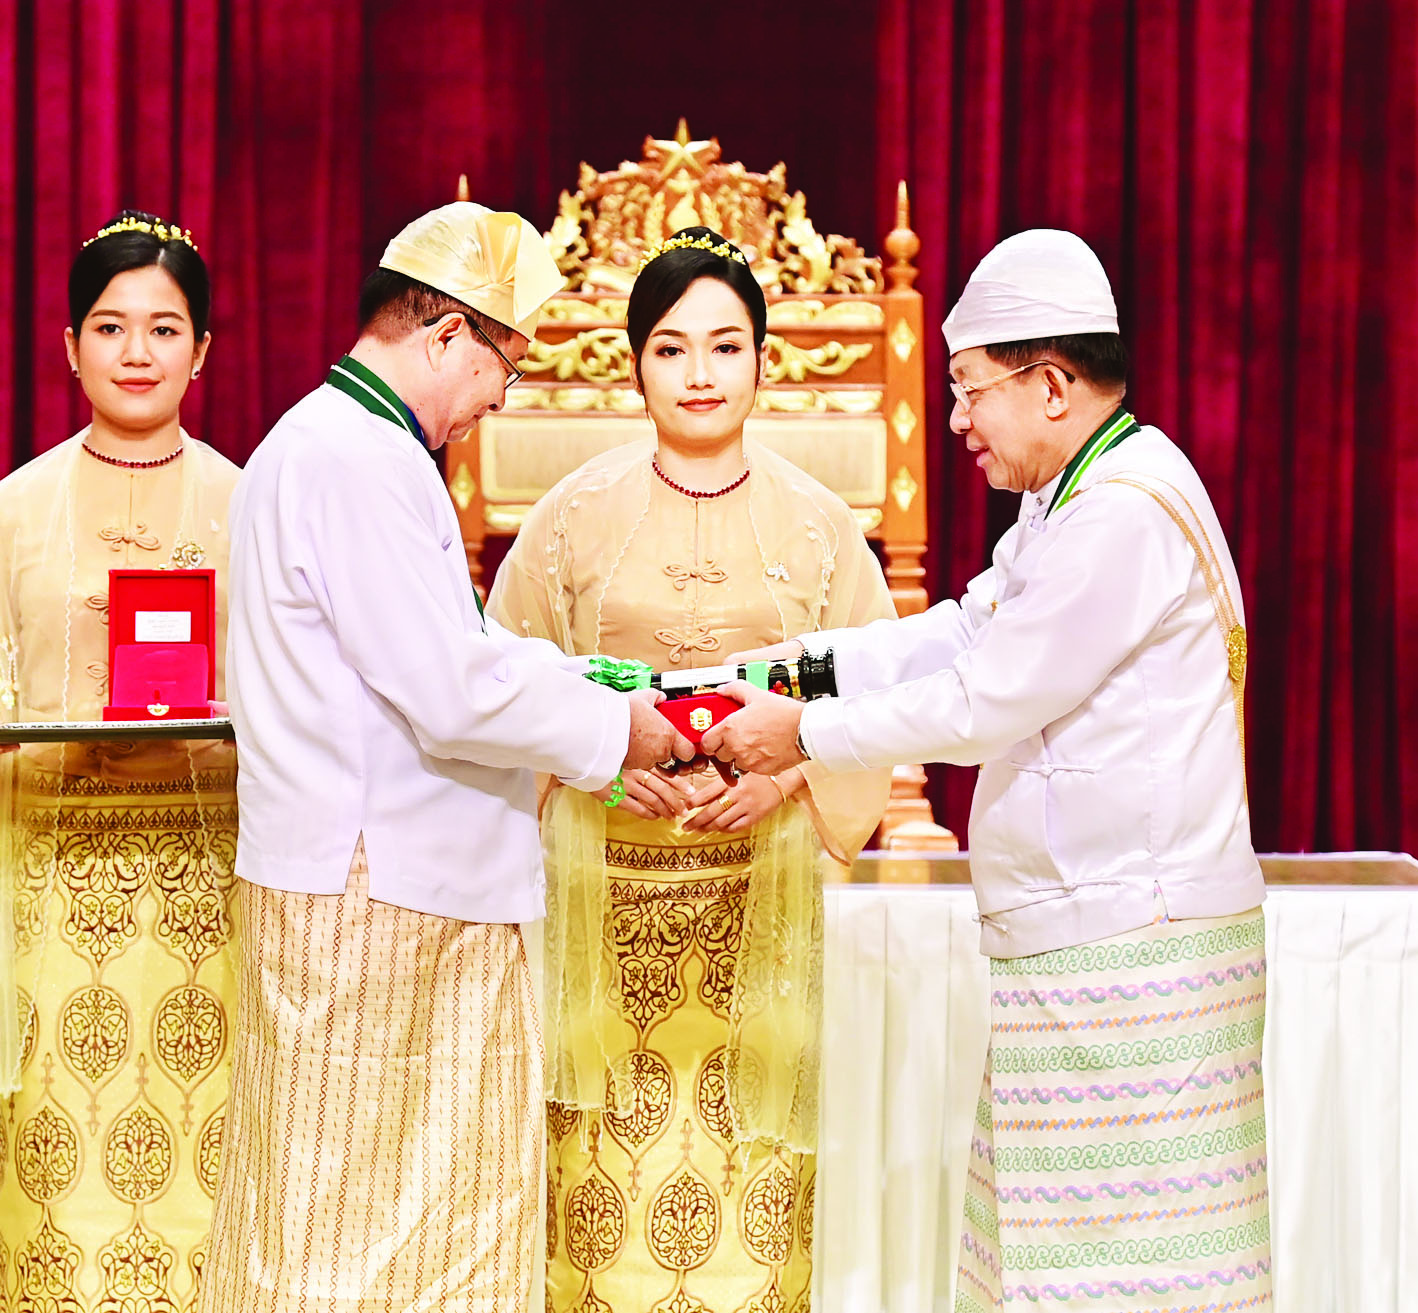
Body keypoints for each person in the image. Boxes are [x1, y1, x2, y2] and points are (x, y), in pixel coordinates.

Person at [705, 230, 1273, 1312]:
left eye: (970, 389)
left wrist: (805, 734)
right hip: (1088, 942)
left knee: (1124, 1280)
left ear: (1050, 385)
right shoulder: (1072, 495)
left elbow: (984, 700)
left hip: (1133, 951)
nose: (957, 419)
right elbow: (962, 631)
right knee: (1047, 1264)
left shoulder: (1121, 511)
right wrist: (786, 667)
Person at [198, 201, 689, 1313]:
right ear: (448, 334)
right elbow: (447, 690)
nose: (498, 399)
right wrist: (618, 731)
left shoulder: (334, 442)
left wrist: (585, 685)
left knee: (351, 1217)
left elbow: (447, 651)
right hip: (380, 897)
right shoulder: (358, 459)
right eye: (504, 366)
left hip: (371, 885)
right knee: (359, 1236)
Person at [486, 226, 894, 1313]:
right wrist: (598, 761)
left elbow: (874, 692)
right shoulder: (570, 516)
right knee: (602, 1179)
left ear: (764, 360)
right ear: (635, 366)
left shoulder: (820, 524)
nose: (700, 373)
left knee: (752, 1167)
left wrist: (788, 775)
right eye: (671, 348)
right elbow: (506, 680)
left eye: (725, 346)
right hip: (601, 890)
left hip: (760, 894)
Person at [0, 211, 240, 1310]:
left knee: (205, 1170)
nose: (136, 352)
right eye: (110, 326)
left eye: (164, 327)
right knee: (52, 1177)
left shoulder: (250, 505)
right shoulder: (16, 508)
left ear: (203, 349)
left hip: (211, 904)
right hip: (46, 897)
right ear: (68, 346)